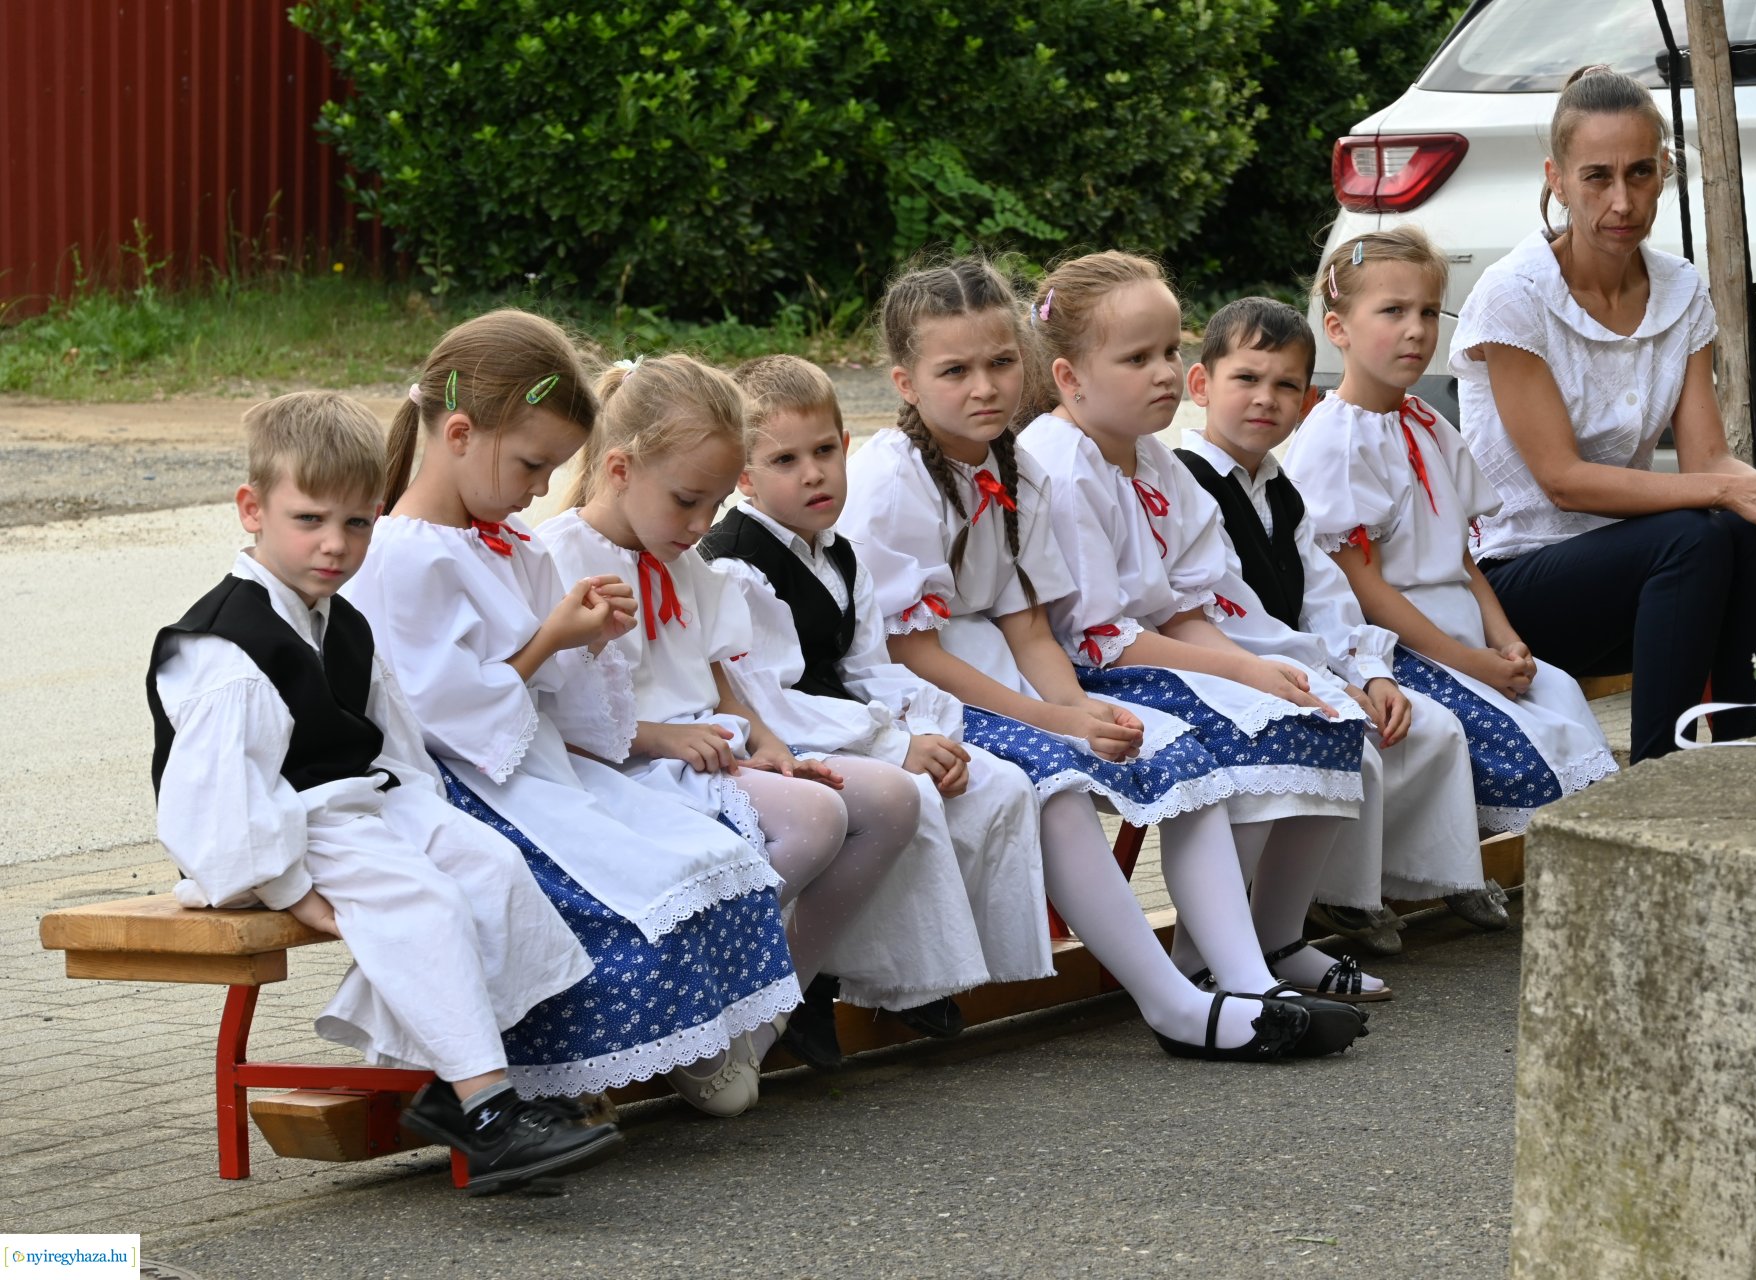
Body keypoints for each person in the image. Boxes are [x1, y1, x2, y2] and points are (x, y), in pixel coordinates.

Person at [841, 258, 1367, 1061]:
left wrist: (1081, 708)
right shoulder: (893, 477)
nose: (985, 387)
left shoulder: (1013, 466)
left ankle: (1242, 976)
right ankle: (1172, 1005)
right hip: (917, 689)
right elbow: (912, 650)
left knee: (1177, 755)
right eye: (955, 371)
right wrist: (1054, 718)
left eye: (1000, 362)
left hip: (1007, 672)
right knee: (1056, 782)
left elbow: (1028, 626)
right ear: (905, 384)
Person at [148, 390, 619, 1195]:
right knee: (420, 901)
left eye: (358, 523)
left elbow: (393, 746)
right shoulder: (229, 648)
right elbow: (217, 799)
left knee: (490, 865)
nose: (335, 545)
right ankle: (487, 1110)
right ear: (252, 510)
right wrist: (287, 887)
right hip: (284, 828)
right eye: (309, 520)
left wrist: (426, 818)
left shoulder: (342, 621)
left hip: (362, 806)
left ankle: (447, 1082)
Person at [343, 311, 802, 1120]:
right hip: (464, 786)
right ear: (459, 433)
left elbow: (565, 707)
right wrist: (552, 639)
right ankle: (544, 1077)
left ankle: (683, 1051)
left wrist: (588, 643)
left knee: (704, 855)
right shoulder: (403, 555)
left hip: (536, 770)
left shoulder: (512, 544)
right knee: (625, 891)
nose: (538, 488)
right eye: (532, 465)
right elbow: (441, 712)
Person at [1018, 251, 1392, 1001]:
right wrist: (1246, 675)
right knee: (1252, 733)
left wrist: (1264, 672)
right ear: (1069, 376)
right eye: (1137, 359)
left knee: (1327, 715)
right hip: (1080, 671)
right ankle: (1207, 957)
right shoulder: (1058, 465)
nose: (1164, 373)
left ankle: (1275, 938)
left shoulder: (1154, 461)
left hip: (1151, 652)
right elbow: (1099, 636)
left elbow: (1188, 612)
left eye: (1169, 351)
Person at [540, 351, 922, 1084]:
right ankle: (674, 991)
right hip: (629, 772)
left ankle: (764, 1015)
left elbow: (721, 684)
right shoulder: (560, 559)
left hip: (708, 755)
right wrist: (667, 738)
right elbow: (555, 718)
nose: (700, 525)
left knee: (891, 799)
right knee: (816, 818)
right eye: (686, 501)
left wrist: (772, 745)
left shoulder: (685, 560)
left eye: (713, 507)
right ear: (619, 470)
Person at [1452, 63, 1756, 762]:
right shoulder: (1514, 296)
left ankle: (1752, 757)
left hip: (1647, 577)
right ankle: (1659, 774)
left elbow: (1708, 458)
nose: (1622, 201)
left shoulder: (1680, 289)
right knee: (1694, 535)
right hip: (1511, 590)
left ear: (1664, 173)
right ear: (1556, 180)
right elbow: (1563, 481)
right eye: (1597, 177)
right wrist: (1726, 491)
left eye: (1640, 173)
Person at [703, 353, 1052, 1038]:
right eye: (785, 461)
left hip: (845, 721)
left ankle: (945, 967)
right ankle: (846, 978)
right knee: (911, 794)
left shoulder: (841, 553)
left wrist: (928, 731)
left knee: (999, 784)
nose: (813, 473)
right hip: (785, 737)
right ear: (744, 476)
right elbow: (766, 701)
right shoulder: (737, 565)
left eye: (824, 451)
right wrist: (895, 747)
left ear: (846, 446)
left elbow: (870, 666)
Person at [1177, 296, 1503, 952]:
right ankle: (1332, 900)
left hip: (1296, 662)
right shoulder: (1189, 484)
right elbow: (1228, 612)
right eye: (1246, 378)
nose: (1265, 399)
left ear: (1306, 401)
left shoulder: (1281, 490)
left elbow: (1326, 597)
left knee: (1429, 727)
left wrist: (1370, 671)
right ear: (1201, 384)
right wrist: (1331, 681)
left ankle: (1416, 877)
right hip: (1229, 664)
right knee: (1350, 737)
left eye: (1286, 386)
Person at [1287, 227, 1617, 831]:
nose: (1416, 329)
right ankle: (1485, 859)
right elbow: (1365, 589)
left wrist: (1505, 640)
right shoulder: (1337, 441)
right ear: (1338, 328)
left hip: (1465, 633)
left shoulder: (1427, 422)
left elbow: (1463, 559)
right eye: (1392, 311)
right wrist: (1471, 662)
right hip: (1404, 648)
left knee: (1560, 697)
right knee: (1530, 762)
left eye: (1427, 312)